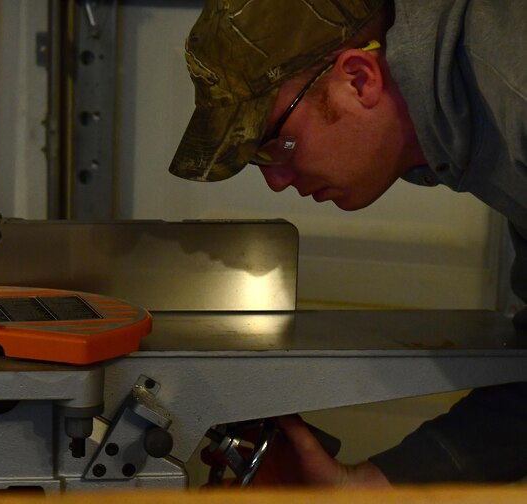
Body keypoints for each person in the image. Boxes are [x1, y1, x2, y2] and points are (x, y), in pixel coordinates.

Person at [169, 0, 527, 486]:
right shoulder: (483, 120)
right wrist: (369, 486)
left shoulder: (514, 92)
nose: (276, 180)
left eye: (277, 141)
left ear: (359, 78)